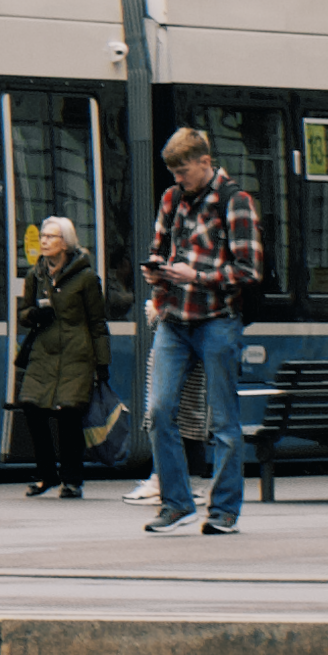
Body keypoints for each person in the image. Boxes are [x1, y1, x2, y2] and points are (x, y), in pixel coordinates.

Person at [142, 125, 261, 537]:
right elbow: (160, 248)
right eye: (173, 172)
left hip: (218, 321)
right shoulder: (172, 199)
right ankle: (177, 504)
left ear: (206, 162)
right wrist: (155, 272)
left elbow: (249, 270)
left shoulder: (236, 202)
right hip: (173, 319)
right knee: (158, 412)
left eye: (184, 171)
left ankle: (224, 510)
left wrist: (197, 275)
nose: (178, 180)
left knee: (224, 421)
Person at [16, 217, 111, 501]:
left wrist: (102, 364)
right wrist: (32, 315)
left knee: (69, 415)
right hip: (44, 353)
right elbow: (24, 313)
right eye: (43, 236)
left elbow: (97, 322)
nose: (44, 240)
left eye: (51, 236)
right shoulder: (36, 275)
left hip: (76, 355)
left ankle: (72, 480)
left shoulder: (86, 278)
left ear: (65, 242)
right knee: (31, 407)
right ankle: (46, 474)